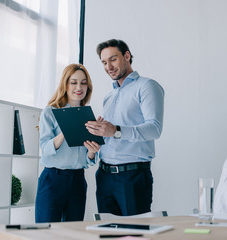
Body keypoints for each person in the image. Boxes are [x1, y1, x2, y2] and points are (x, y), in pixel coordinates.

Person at [85, 39, 164, 216]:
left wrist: (116, 130)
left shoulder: (147, 86)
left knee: (133, 234)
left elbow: (155, 128)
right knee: (108, 233)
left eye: (113, 59)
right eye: (104, 62)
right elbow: (110, 135)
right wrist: (96, 137)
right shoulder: (109, 97)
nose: (108, 67)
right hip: (104, 176)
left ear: (126, 56)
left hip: (132, 177)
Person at [35, 64, 100, 223]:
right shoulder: (50, 112)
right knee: (47, 233)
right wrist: (66, 130)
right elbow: (45, 149)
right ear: (65, 84)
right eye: (74, 82)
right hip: (52, 180)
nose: (79, 87)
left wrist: (92, 152)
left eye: (83, 83)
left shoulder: (88, 116)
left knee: (72, 234)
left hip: (77, 180)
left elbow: (87, 159)